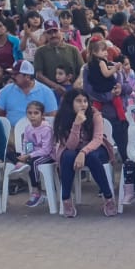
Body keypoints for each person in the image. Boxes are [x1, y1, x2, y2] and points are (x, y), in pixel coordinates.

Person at [53, 88, 116, 218]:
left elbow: (97, 139)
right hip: (72, 150)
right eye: (78, 101)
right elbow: (70, 146)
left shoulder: (95, 114)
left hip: (95, 149)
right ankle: (66, 199)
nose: (83, 104)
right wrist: (76, 124)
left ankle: (108, 198)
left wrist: (83, 152)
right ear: (70, 103)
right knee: (69, 156)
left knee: (92, 157)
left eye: (85, 101)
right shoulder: (62, 118)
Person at [0, 60, 58, 128]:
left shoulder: (46, 91)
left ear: (27, 77)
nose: (12, 77)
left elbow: (52, 116)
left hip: (37, 132)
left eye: (16, 74)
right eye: (12, 74)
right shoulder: (8, 89)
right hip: (12, 131)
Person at [16, 100, 55, 208]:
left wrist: (29, 156)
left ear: (42, 115)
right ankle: (21, 164)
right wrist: (25, 154)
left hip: (48, 155)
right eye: (30, 113)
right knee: (14, 155)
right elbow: (27, 143)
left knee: (33, 163)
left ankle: (36, 191)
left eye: (36, 113)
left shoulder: (47, 129)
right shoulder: (28, 128)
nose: (32, 116)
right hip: (33, 154)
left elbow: (46, 150)